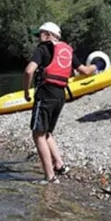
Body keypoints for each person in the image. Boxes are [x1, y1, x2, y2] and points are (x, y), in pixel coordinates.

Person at [23, 22, 98, 184]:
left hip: (45, 94)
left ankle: (50, 177)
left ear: (49, 35)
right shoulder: (67, 51)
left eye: (41, 34)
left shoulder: (42, 49)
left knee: (38, 134)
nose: (39, 38)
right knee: (47, 132)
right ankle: (59, 164)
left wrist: (25, 91)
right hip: (60, 95)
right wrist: (96, 66)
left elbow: (29, 70)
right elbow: (84, 71)